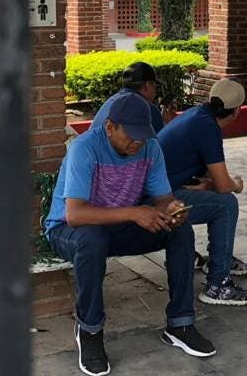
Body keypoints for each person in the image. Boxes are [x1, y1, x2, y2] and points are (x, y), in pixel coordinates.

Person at [46, 92, 216, 375]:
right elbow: (75, 215)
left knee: (180, 232)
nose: (137, 142)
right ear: (110, 127)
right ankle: (89, 331)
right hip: (68, 231)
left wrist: (171, 209)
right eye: (131, 135)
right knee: (92, 239)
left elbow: (163, 199)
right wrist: (135, 213)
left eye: (143, 135)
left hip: (117, 228)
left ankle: (181, 324)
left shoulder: (150, 147)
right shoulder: (84, 149)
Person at [157, 79, 247, 306]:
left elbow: (209, 171)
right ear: (237, 111)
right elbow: (223, 185)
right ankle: (217, 285)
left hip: (161, 190)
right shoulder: (208, 128)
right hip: (157, 201)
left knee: (221, 199)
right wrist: (237, 183)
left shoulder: (197, 115)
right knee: (227, 204)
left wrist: (210, 183)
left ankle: (219, 259)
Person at [91, 61, 166, 133]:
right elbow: (161, 141)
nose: (155, 92)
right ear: (147, 85)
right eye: (155, 86)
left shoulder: (111, 101)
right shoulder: (148, 109)